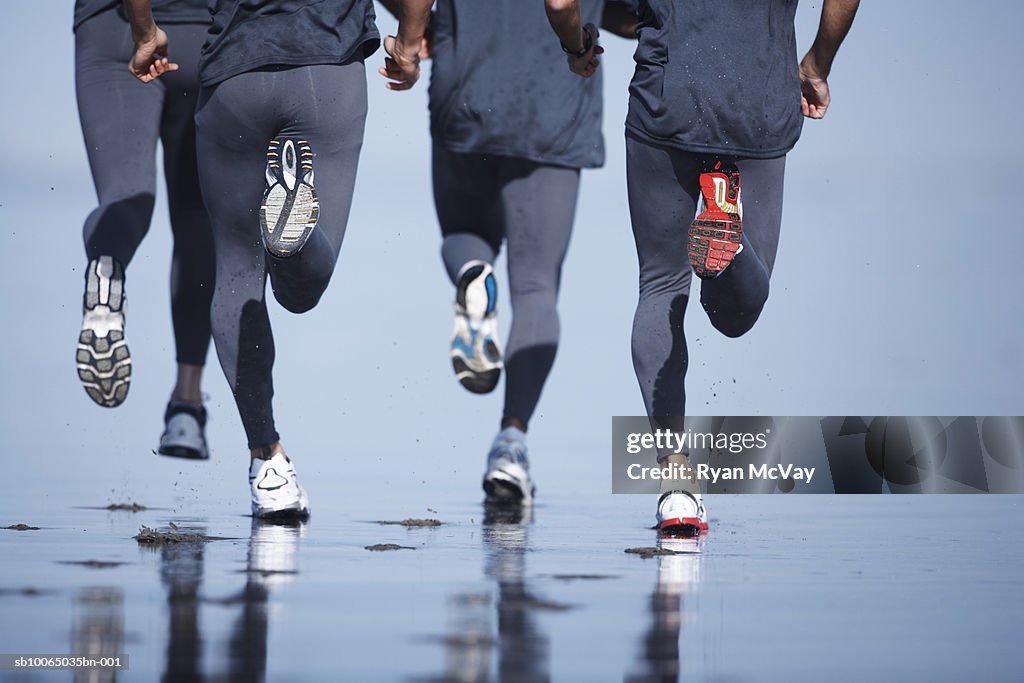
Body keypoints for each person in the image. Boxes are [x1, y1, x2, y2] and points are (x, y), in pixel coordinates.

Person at [546, 0, 860, 533]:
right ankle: (729, 246)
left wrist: (576, 46)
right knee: (736, 314)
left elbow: (559, 2)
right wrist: (818, 63)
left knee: (661, 285)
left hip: (665, 103)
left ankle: (675, 483)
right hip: (761, 102)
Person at [124, 0, 431, 517]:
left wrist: (145, 31)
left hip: (232, 78)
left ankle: (267, 460)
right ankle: (294, 237)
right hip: (326, 73)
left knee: (237, 271)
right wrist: (409, 38)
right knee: (301, 290)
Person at [378, 0, 636, 506]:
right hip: (554, 100)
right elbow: (636, 15)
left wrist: (417, 29)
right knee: (537, 285)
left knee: (463, 231)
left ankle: (473, 272)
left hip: (464, 83)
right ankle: (510, 443)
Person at [74, 0, 214, 459]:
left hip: (113, 28)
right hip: (205, 35)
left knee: (125, 196)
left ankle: (106, 268)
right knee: (197, 219)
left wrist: (143, 27)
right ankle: (186, 408)